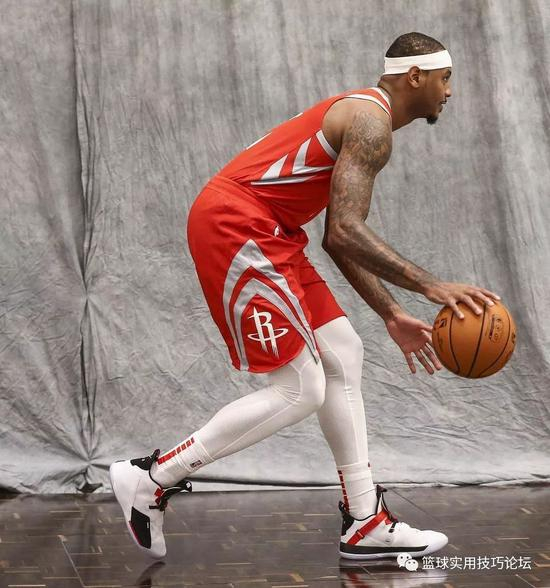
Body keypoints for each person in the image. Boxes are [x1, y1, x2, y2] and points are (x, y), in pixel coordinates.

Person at [110, 32, 500, 560]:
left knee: (344, 353)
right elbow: (345, 230)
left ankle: (364, 521)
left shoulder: (366, 117)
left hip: (273, 231)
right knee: (301, 387)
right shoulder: (370, 121)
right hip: (237, 225)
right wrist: (429, 285)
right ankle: (154, 477)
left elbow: (336, 238)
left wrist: (391, 312)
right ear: (416, 76)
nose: (449, 91)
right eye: (445, 78)